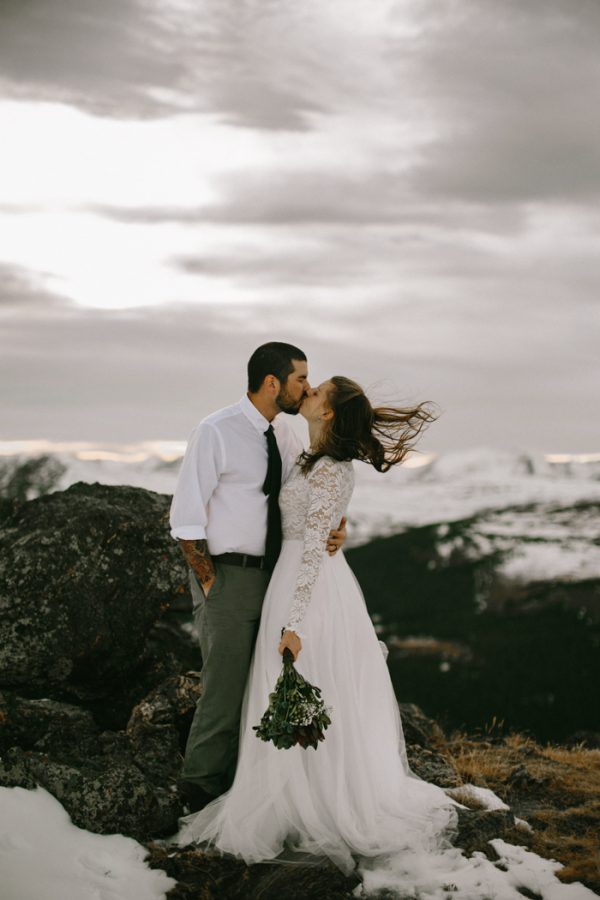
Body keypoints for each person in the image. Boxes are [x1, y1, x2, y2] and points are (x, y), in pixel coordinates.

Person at [174, 376, 464, 875]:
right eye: (305, 382)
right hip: (283, 578)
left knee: (301, 686)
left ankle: (313, 801)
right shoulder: (302, 449)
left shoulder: (331, 469)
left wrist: (296, 622)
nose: (308, 391)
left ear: (327, 413)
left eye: (318, 389)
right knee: (274, 691)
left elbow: (312, 549)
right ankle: (283, 792)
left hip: (305, 587)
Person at [169, 343, 347, 813]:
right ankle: (199, 787)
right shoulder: (216, 432)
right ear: (273, 382)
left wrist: (336, 525)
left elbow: (301, 495)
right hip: (228, 575)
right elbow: (185, 517)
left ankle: (248, 785)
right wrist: (210, 582)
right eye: (300, 379)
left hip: (275, 577)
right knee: (225, 686)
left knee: (264, 683)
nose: (307, 387)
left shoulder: (284, 435)